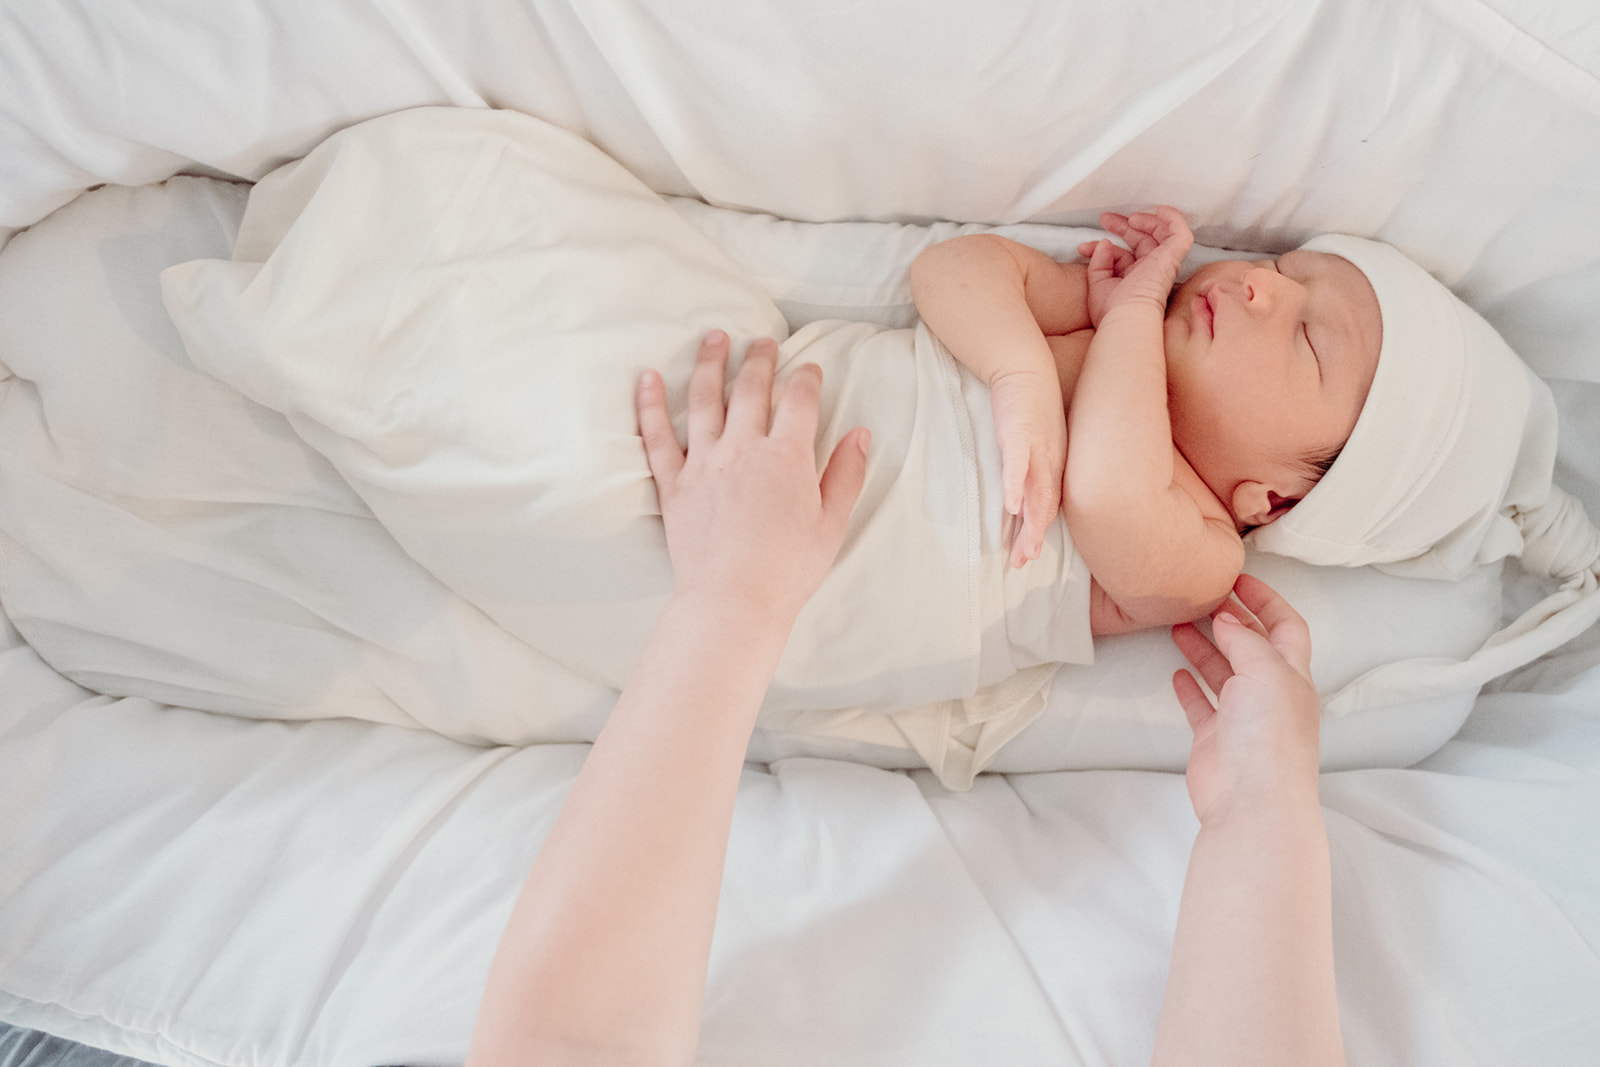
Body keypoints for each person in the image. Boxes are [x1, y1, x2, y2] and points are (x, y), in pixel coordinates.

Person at [462, 334, 1344, 1066]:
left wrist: (730, 600)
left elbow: (567, 1042)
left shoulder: (1202, 550)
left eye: (1310, 344)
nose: (1263, 294)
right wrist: (1260, 807)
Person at [910, 205, 1381, 632]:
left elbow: (1109, 494)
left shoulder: (1205, 559)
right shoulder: (1108, 315)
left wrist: (1131, 316)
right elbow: (946, 267)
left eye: (1308, 340)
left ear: (1276, 501)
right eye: (1277, 266)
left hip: (869, 595)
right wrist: (1018, 372)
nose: (1264, 285)